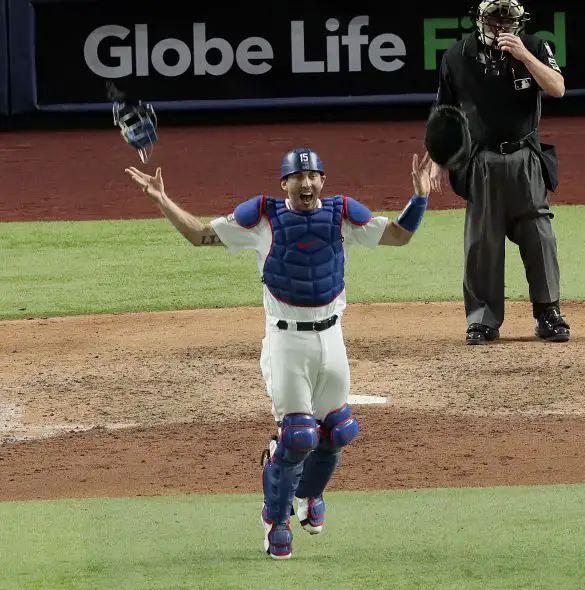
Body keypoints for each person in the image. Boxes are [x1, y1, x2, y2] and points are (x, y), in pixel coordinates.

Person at [126, 148, 432, 560]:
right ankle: (276, 520)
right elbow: (200, 234)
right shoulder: (263, 218)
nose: (306, 184)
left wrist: (420, 197)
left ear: (322, 180)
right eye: (298, 177)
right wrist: (163, 201)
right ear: (284, 182)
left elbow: (399, 234)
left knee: (338, 431)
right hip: (287, 343)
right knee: (299, 437)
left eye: (313, 176)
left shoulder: (342, 214)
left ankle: (308, 496)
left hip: (332, 337)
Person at [429, 0, 570, 346]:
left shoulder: (535, 46)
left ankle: (548, 313)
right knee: (482, 242)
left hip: (525, 157)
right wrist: (438, 157)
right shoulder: (457, 56)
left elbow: (557, 88)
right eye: (495, 18)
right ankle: (482, 320)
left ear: (519, 21)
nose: (501, 25)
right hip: (481, 160)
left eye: (508, 19)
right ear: (479, 19)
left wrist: (524, 55)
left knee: (539, 235)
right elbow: (445, 110)